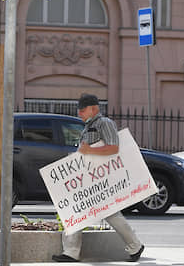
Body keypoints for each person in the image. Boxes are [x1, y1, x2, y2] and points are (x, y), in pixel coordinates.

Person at [52, 93, 145, 263]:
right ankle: (72, 252)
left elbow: (113, 148)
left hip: (101, 180)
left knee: (109, 214)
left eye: (82, 110)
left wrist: (89, 152)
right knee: (77, 211)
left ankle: (135, 246)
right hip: (90, 179)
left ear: (94, 108)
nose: (79, 113)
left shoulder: (104, 123)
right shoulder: (89, 127)